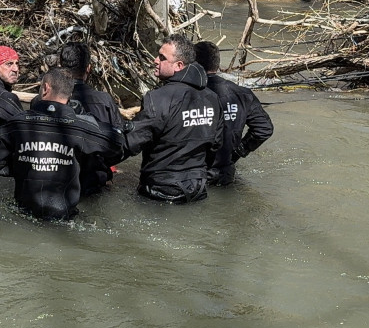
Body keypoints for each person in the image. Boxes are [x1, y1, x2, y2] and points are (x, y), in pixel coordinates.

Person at [0, 69, 124, 220]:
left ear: (45, 88)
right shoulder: (81, 127)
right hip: (64, 218)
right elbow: (117, 145)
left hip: (21, 215)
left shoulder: (16, 123)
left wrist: (24, 167)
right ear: (70, 96)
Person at [124, 34, 221, 203]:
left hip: (161, 192)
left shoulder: (157, 98)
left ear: (179, 65)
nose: (155, 60)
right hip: (197, 190)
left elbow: (130, 144)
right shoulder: (212, 98)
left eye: (162, 58)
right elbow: (216, 145)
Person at [195, 41, 274, 186]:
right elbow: (264, 128)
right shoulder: (242, 94)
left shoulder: (189, 93)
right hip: (225, 173)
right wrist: (237, 153)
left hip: (193, 174)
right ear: (217, 64)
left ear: (193, 64)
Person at [57, 42, 123, 131]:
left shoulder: (49, 98)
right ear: (88, 69)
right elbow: (119, 135)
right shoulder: (104, 101)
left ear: (60, 67)